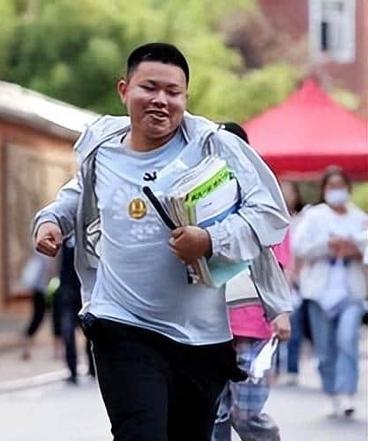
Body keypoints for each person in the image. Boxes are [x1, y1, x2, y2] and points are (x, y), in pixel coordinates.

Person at [33, 42, 292, 441]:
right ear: (125, 90)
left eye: (173, 92)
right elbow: (78, 193)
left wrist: (210, 239)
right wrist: (52, 220)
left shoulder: (214, 146)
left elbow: (269, 213)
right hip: (122, 325)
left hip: (201, 337)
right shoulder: (101, 151)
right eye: (148, 88)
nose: (160, 100)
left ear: (185, 98)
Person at [211, 122, 280, 441]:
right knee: (214, 415)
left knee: (246, 415)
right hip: (208, 327)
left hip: (252, 324)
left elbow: (275, 262)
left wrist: (281, 311)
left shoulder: (260, 203)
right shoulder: (198, 200)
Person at [293, 166, 367, 417]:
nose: (337, 192)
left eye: (341, 186)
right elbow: (300, 248)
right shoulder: (314, 217)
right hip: (319, 291)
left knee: (347, 339)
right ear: (324, 190)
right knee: (324, 349)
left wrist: (354, 250)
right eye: (332, 187)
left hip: (351, 289)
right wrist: (327, 245)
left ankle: (346, 393)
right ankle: (331, 393)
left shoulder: (359, 218)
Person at [274, 180, 309, 385]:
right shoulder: (273, 220)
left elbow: (294, 256)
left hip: (294, 281)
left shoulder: (301, 220)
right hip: (277, 279)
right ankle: (276, 367)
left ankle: (292, 367)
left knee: (292, 328)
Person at [57, 237, 94, 385]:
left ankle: (93, 367)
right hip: (67, 294)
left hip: (85, 291)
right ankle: (72, 371)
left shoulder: (87, 233)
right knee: (68, 333)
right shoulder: (63, 236)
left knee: (90, 332)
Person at [19, 250, 52, 360]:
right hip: (41, 292)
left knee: (38, 319)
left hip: (42, 292)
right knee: (37, 319)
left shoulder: (41, 257)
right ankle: (25, 346)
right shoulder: (42, 257)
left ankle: (26, 347)